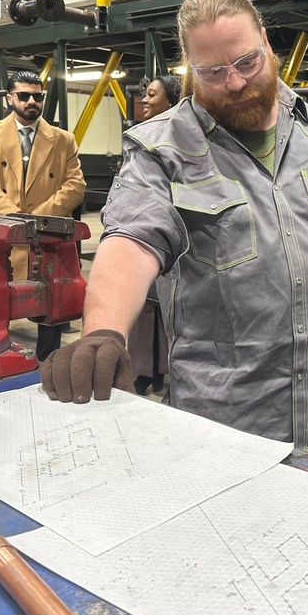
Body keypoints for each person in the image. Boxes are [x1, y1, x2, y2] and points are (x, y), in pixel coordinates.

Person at [40, 0, 308, 451]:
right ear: (188, 68)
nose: (235, 82)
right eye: (212, 71)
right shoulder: (162, 148)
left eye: (247, 61)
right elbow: (132, 240)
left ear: (265, 41)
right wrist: (104, 332)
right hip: (223, 425)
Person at [0, 71, 86, 361]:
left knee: (54, 299)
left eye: (38, 96)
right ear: (10, 98)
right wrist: (15, 217)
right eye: (24, 96)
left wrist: (38, 219)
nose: (31, 101)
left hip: (48, 237)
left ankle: (48, 362)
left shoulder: (63, 139)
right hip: (1, 235)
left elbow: (75, 185)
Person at [129, 73, 182, 395]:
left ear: (171, 100)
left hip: (171, 234)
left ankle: (163, 372)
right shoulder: (139, 136)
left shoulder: (182, 139)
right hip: (143, 229)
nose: (145, 100)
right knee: (145, 308)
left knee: (168, 309)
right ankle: (145, 370)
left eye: (152, 94)